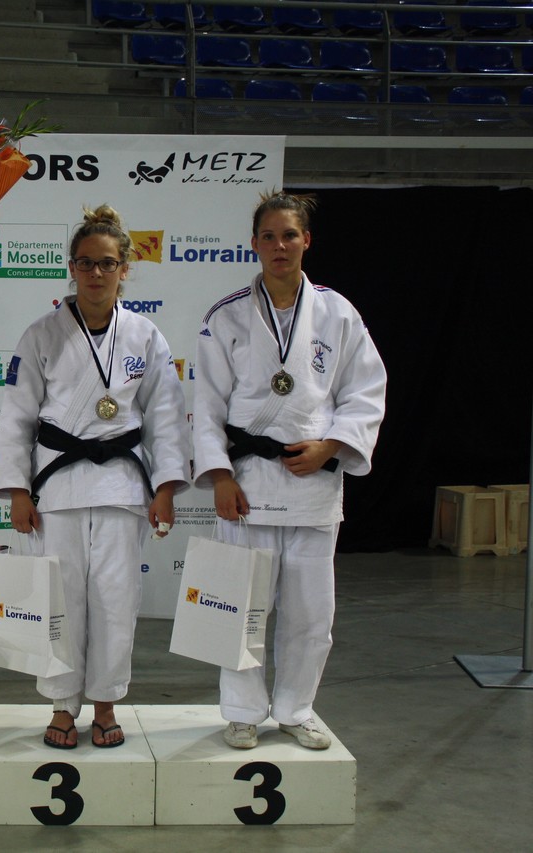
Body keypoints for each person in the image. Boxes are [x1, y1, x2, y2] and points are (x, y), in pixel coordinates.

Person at [193, 191, 386, 750]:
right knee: (238, 607)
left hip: (312, 483)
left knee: (309, 614)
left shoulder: (338, 312)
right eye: (269, 236)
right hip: (247, 483)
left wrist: (332, 446)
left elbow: (365, 391)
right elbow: (206, 405)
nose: (280, 245)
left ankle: (297, 708)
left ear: (307, 241)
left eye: (290, 235)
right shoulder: (225, 316)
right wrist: (220, 475)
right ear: (254, 244)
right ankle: (242, 711)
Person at [0, 206, 188, 749]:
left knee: (115, 599)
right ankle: (62, 705)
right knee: (59, 599)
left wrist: (166, 488)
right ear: (71, 268)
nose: (96, 273)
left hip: (122, 486)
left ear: (125, 268)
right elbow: (17, 417)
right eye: (85, 263)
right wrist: (17, 490)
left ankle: (104, 705)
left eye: (107, 263)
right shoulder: (42, 334)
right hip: (57, 486)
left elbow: (166, 416)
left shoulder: (145, 335)